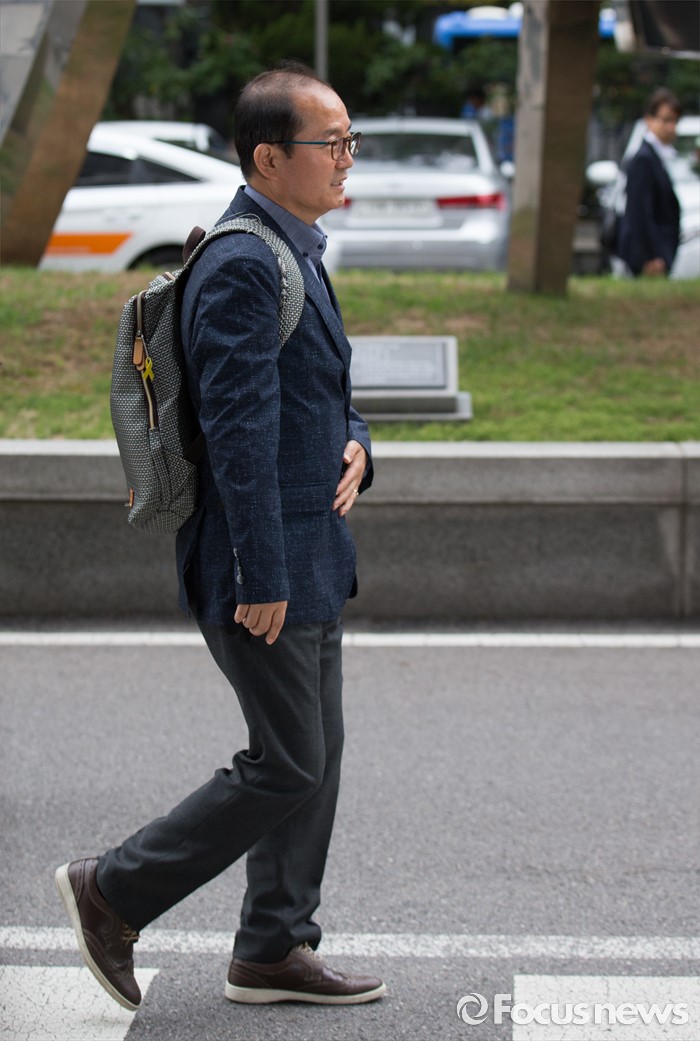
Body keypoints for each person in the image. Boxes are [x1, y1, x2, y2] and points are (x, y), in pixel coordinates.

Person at [55, 62, 386, 1012]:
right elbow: (237, 433)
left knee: (313, 758)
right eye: (332, 143)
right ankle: (112, 891)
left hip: (309, 549)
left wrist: (358, 444)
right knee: (287, 761)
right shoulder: (245, 262)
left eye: (350, 140)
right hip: (263, 560)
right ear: (269, 157)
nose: (347, 158)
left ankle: (274, 946)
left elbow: (323, 391)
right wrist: (258, 572)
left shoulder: (296, 247)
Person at [617, 88, 682, 277]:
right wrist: (651, 256)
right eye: (666, 120)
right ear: (649, 120)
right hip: (649, 258)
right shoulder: (643, 159)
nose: (671, 127)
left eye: (675, 121)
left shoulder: (659, 156)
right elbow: (640, 212)